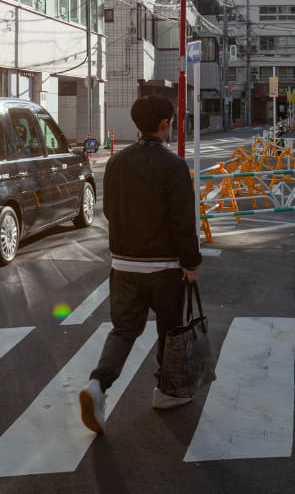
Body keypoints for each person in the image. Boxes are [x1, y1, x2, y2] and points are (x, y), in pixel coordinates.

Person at [78, 95, 202, 435]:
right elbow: (182, 222)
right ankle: (166, 391)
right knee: (169, 330)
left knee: (124, 330)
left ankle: (98, 386)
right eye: (171, 121)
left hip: (124, 265)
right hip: (164, 268)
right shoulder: (174, 166)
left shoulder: (117, 162)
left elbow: (110, 212)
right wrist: (191, 263)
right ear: (165, 124)